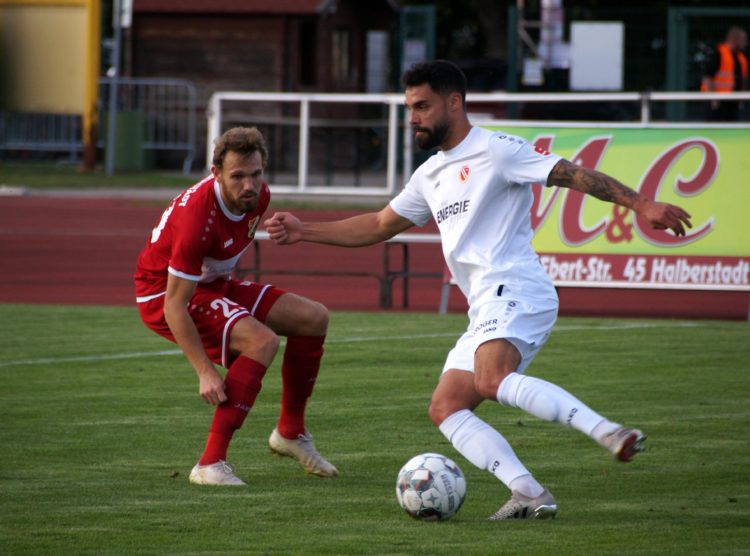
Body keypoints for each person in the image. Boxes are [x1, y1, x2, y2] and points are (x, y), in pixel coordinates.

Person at [264, 60, 693, 519]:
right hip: (486, 302)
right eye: (410, 107)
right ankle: (528, 492)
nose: (414, 117)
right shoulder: (430, 174)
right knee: (446, 407)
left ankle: (609, 432)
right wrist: (304, 229)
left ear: (454, 102)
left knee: (490, 381)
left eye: (423, 106)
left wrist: (642, 203)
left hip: (516, 287)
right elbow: (378, 225)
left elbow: (573, 175)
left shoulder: (497, 150)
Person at [134, 126, 338, 486]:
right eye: (238, 176)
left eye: (256, 174)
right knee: (261, 341)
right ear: (215, 174)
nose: (249, 185)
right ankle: (210, 463)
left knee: (313, 317)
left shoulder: (259, 199)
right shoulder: (196, 218)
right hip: (163, 295)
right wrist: (204, 371)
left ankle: (290, 433)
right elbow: (173, 305)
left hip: (212, 284)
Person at [701, 26, 748, 121]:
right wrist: (713, 97)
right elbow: (707, 77)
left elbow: (742, 79)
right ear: (735, 39)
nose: (745, 43)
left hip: (733, 102)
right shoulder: (719, 54)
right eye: (743, 40)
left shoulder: (741, 58)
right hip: (718, 102)